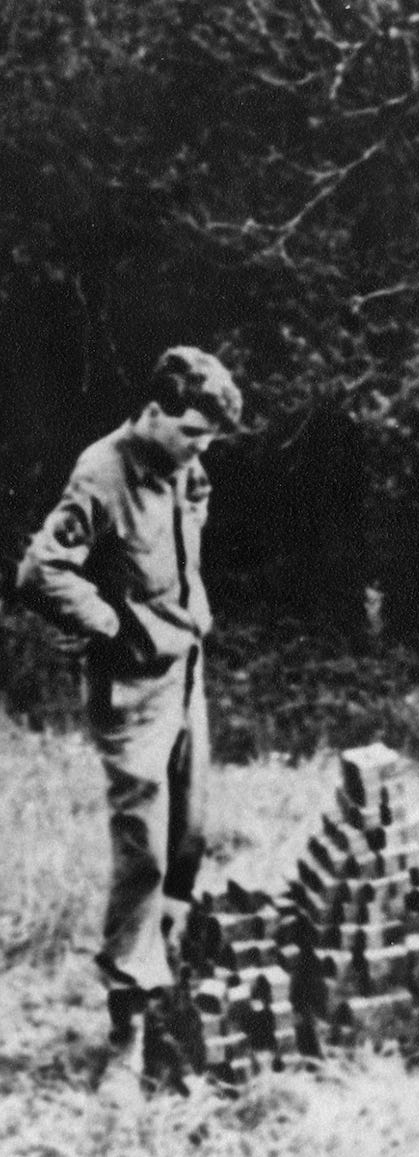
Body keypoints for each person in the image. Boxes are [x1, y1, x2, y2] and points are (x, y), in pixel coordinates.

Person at [15, 346, 243, 1082]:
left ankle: (167, 963)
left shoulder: (186, 466)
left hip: (186, 668)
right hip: (131, 690)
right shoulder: (101, 473)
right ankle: (128, 1025)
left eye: (207, 439)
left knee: (192, 829)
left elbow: (196, 498)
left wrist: (182, 610)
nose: (199, 452)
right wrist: (106, 621)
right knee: (141, 849)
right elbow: (40, 570)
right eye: (191, 433)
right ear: (153, 411)